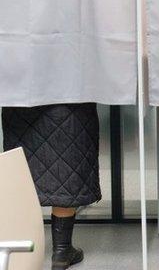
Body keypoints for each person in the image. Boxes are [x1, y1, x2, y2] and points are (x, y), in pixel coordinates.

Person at [2, 103, 101, 270]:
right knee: (66, 169)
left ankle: (23, 251)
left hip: (21, 98)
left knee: (24, 170)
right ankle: (62, 251)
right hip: (69, 97)